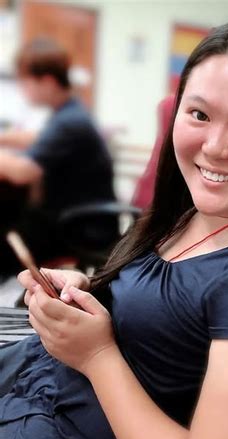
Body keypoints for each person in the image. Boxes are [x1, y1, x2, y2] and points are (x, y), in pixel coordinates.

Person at [0, 20, 228, 439]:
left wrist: (97, 355)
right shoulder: (193, 211)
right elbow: (164, 322)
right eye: (199, 115)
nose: (213, 147)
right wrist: (90, 293)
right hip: (39, 391)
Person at [0, 38, 115, 274]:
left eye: (25, 81)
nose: (22, 88)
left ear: (48, 82)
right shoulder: (70, 112)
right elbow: (37, 138)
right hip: (73, 219)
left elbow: (22, 172)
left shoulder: (69, 122)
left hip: (79, 227)